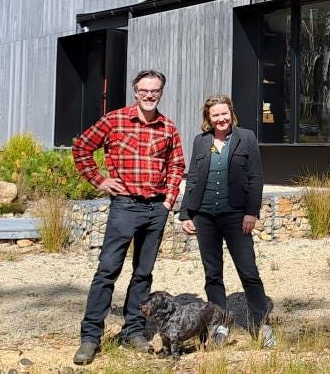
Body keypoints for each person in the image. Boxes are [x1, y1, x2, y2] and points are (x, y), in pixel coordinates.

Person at [71, 69, 185, 366]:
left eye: (155, 91)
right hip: (125, 207)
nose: (149, 95)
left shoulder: (168, 127)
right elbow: (82, 148)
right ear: (135, 91)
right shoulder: (115, 120)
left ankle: (133, 330)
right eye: (144, 90)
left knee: (143, 274)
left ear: (161, 92)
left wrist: (169, 200)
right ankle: (90, 337)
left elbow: (177, 164)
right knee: (108, 270)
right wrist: (99, 180)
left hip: (156, 209)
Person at [178, 94, 275, 348]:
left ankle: (261, 323)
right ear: (208, 119)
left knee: (249, 272)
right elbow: (194, 179)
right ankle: (220, 324)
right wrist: (185, 213)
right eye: (215, 115)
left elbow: (255, 178)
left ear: (231, 113)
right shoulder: (200, 142)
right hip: (205, 217)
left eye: (224, 114)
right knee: (213, 274)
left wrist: (251, 212)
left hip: (236, 216)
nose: (220, 119)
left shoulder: (247, 138)